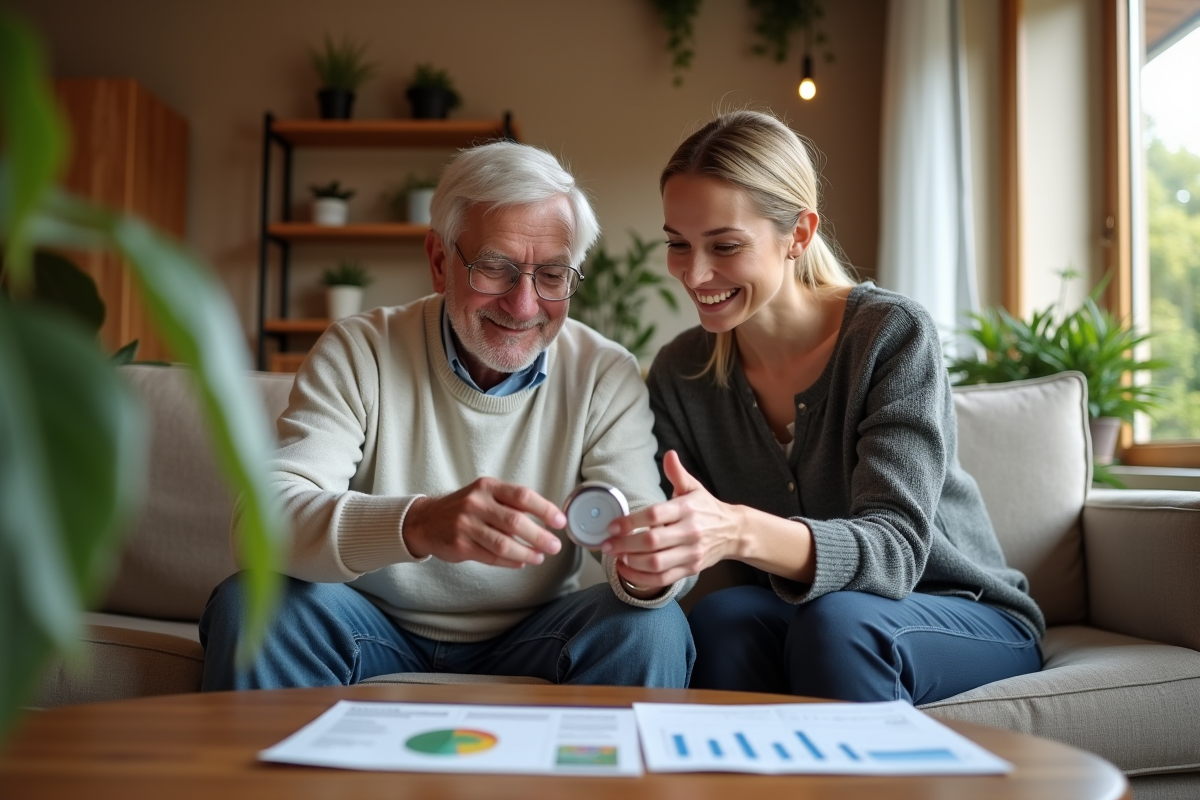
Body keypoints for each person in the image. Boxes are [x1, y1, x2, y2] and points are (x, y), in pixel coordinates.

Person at [200, 141, 695, 690]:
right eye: (495, 268)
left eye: (553, 275)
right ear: (439, 261)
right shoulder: (361, 350)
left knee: (654, 629)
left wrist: (651, 565)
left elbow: (640, 521)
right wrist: (417, 524)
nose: (523, 305)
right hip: (369, 624)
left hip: (537, 634)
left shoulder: (603, 372)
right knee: (250, 606)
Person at [603, 110, 1043, 704]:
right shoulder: (682, 372)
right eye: (678, 244)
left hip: (959, 608)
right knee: (722, 619)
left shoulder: (889, 335)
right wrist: (650, 556)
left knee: (839, 624)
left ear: (799, 235)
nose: (695, 273)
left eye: (725, 245)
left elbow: (894, 553)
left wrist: (737, 529)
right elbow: (683, 551)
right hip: (815, 612)